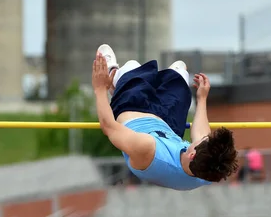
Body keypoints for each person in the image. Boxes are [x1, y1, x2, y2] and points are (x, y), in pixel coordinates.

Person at [92, 44, 239, 191]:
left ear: (192, 154)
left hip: (132, 110)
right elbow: (201, 135)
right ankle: (129, 81)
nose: (204, 137)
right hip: (167, 125)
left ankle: (114, 79)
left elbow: (109, 127)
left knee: (133, 66)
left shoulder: (147, 150)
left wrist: (100, 88)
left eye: (201, 142)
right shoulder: (209, 171)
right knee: (180, 73)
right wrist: (202, 98)